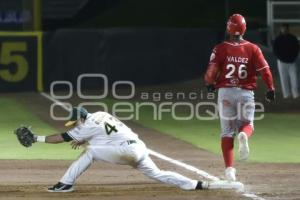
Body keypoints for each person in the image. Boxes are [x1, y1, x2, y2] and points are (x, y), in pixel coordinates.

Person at [29, 107, 240, 192]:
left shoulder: (87, 124)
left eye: (76, 123)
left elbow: (61, 138)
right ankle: (200, 185)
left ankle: (65, 184)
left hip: (126, 151)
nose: (75, 126)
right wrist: (85, 140)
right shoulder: (100, 115)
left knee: (92, 152)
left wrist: (36, 138)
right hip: (137, 147)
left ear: (82, 118)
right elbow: (108, 136)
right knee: (158, 174)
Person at [204, 14, 275, 181]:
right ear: (244, 28)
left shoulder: (220, 48)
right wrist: (271, 88)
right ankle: (243, 135)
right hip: (245, 93)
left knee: (227, 132)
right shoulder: (253, 48)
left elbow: (211, 71)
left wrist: (209, 83)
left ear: (229, 28)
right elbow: (265, 70)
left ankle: (229, 170)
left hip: (226, 92)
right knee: (248, 124)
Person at [273, 23, 299, 99]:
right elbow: (275, 50)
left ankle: (296, 94)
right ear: (281, 29)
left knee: (295, 78)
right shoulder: (278, 39)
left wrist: (293, 58)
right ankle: (286, 94)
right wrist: (280, 58)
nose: (284, 30)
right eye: (283, 28)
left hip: (292, 62)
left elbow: (296, 49)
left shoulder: (293, 38)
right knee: (284, 79)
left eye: (286, 28)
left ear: (288, 29)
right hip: (281, 62)